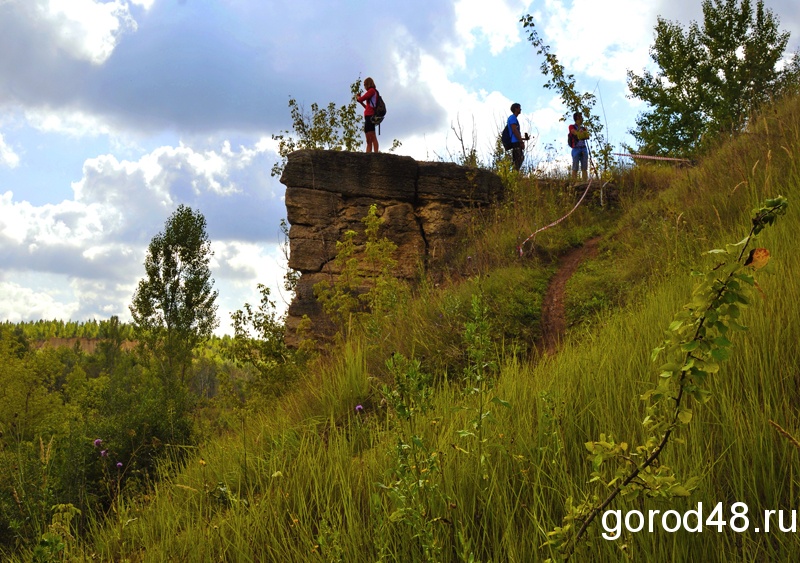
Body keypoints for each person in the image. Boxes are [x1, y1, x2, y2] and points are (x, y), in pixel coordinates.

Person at [357, 77, 380, 153]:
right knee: (368, 138)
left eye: (365, 85)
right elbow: (367, 107)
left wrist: (358, 97)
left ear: (368, 84)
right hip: (368, 115)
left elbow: (361, 99)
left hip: (370, 116)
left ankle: (376, 154)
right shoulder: (373, 92)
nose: (364, 87)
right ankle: (368, 155)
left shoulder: (371, 91)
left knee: (372, 136)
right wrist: (360, 101)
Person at [569, 111, 590, 183]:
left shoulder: (583, 128)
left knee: (584, 167)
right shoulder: (572, 126)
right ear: (577, 118)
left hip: (583, 148)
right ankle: (574, 182)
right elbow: (573, 132)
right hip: (576, 148)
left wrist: (584, 133)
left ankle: (585, 182)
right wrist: (580, 133)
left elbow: (587, 136)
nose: (582, 119)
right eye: (581, 117)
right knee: (575, 167)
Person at [507, 103, 529, 171]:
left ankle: (514, 175)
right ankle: (514, 175)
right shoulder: (513, 118)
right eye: (519, 108)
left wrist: (524, 138)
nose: (520, 109)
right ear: (516, 109)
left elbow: (514, 133)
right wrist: (521, 141)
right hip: (515, 143)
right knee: (519, 159)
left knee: (518, 159)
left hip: (515, 142)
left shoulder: (513, 118)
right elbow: (514, 130)